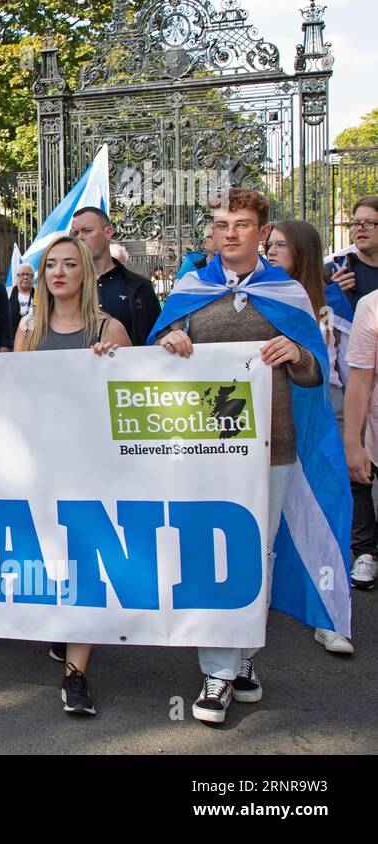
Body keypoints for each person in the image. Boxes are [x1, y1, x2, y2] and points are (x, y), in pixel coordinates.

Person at [154, 189, 325, 726]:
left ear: (260, 231)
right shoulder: (189, 287)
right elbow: (156, 346)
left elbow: (314, 371)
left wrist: (295, 353)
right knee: (217, 549)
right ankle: (220, 671)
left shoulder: (286, 291)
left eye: (243, 224)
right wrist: (171, 342)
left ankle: (242, 654)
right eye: (222, 223)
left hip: (272, 441)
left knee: (261, 551)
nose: (230, 233)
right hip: (205, 444)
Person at [13, 236, 130, 714]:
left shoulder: (111, 328)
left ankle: (76, 674)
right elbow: (11, 396)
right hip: (41, 462)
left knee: (85, 556)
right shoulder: (28, 327)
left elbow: (130, 399)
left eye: (68, 264)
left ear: (85, 273)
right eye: (50, 266)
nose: (57, 272)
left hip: (91, 464)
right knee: (50, 553)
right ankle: (65, 628)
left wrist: (113, 366)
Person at [265, 219, 356, 655]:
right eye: (269, 244)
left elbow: (344, 364)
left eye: (280, 245)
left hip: (318, 417)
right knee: (269, 515)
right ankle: (261, 602)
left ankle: (331, 614)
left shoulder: (329, 298)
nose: (271, 251)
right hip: (271, 418)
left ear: (302, 251)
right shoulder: (258, 294)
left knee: (325, 506)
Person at [335, 197, 378, 596]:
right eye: (356, 222)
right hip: (353, 384)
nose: (360, 228)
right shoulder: (341, 270)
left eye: (370, 222)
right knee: (361, 470)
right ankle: (364, 550)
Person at [68, 206, 161, 348]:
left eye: (87, 231)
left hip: (127, 368)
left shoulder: (140, 287)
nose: (80, 237)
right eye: (75, 233)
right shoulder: (65, 286)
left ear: (108, 232)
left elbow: (156, 338)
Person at [8, 262, 35, 326]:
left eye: (28, 274)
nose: (25, 277)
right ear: (17, 277)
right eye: (22, 274)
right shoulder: (8, 293)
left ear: (33, 277)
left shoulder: (39, 295)